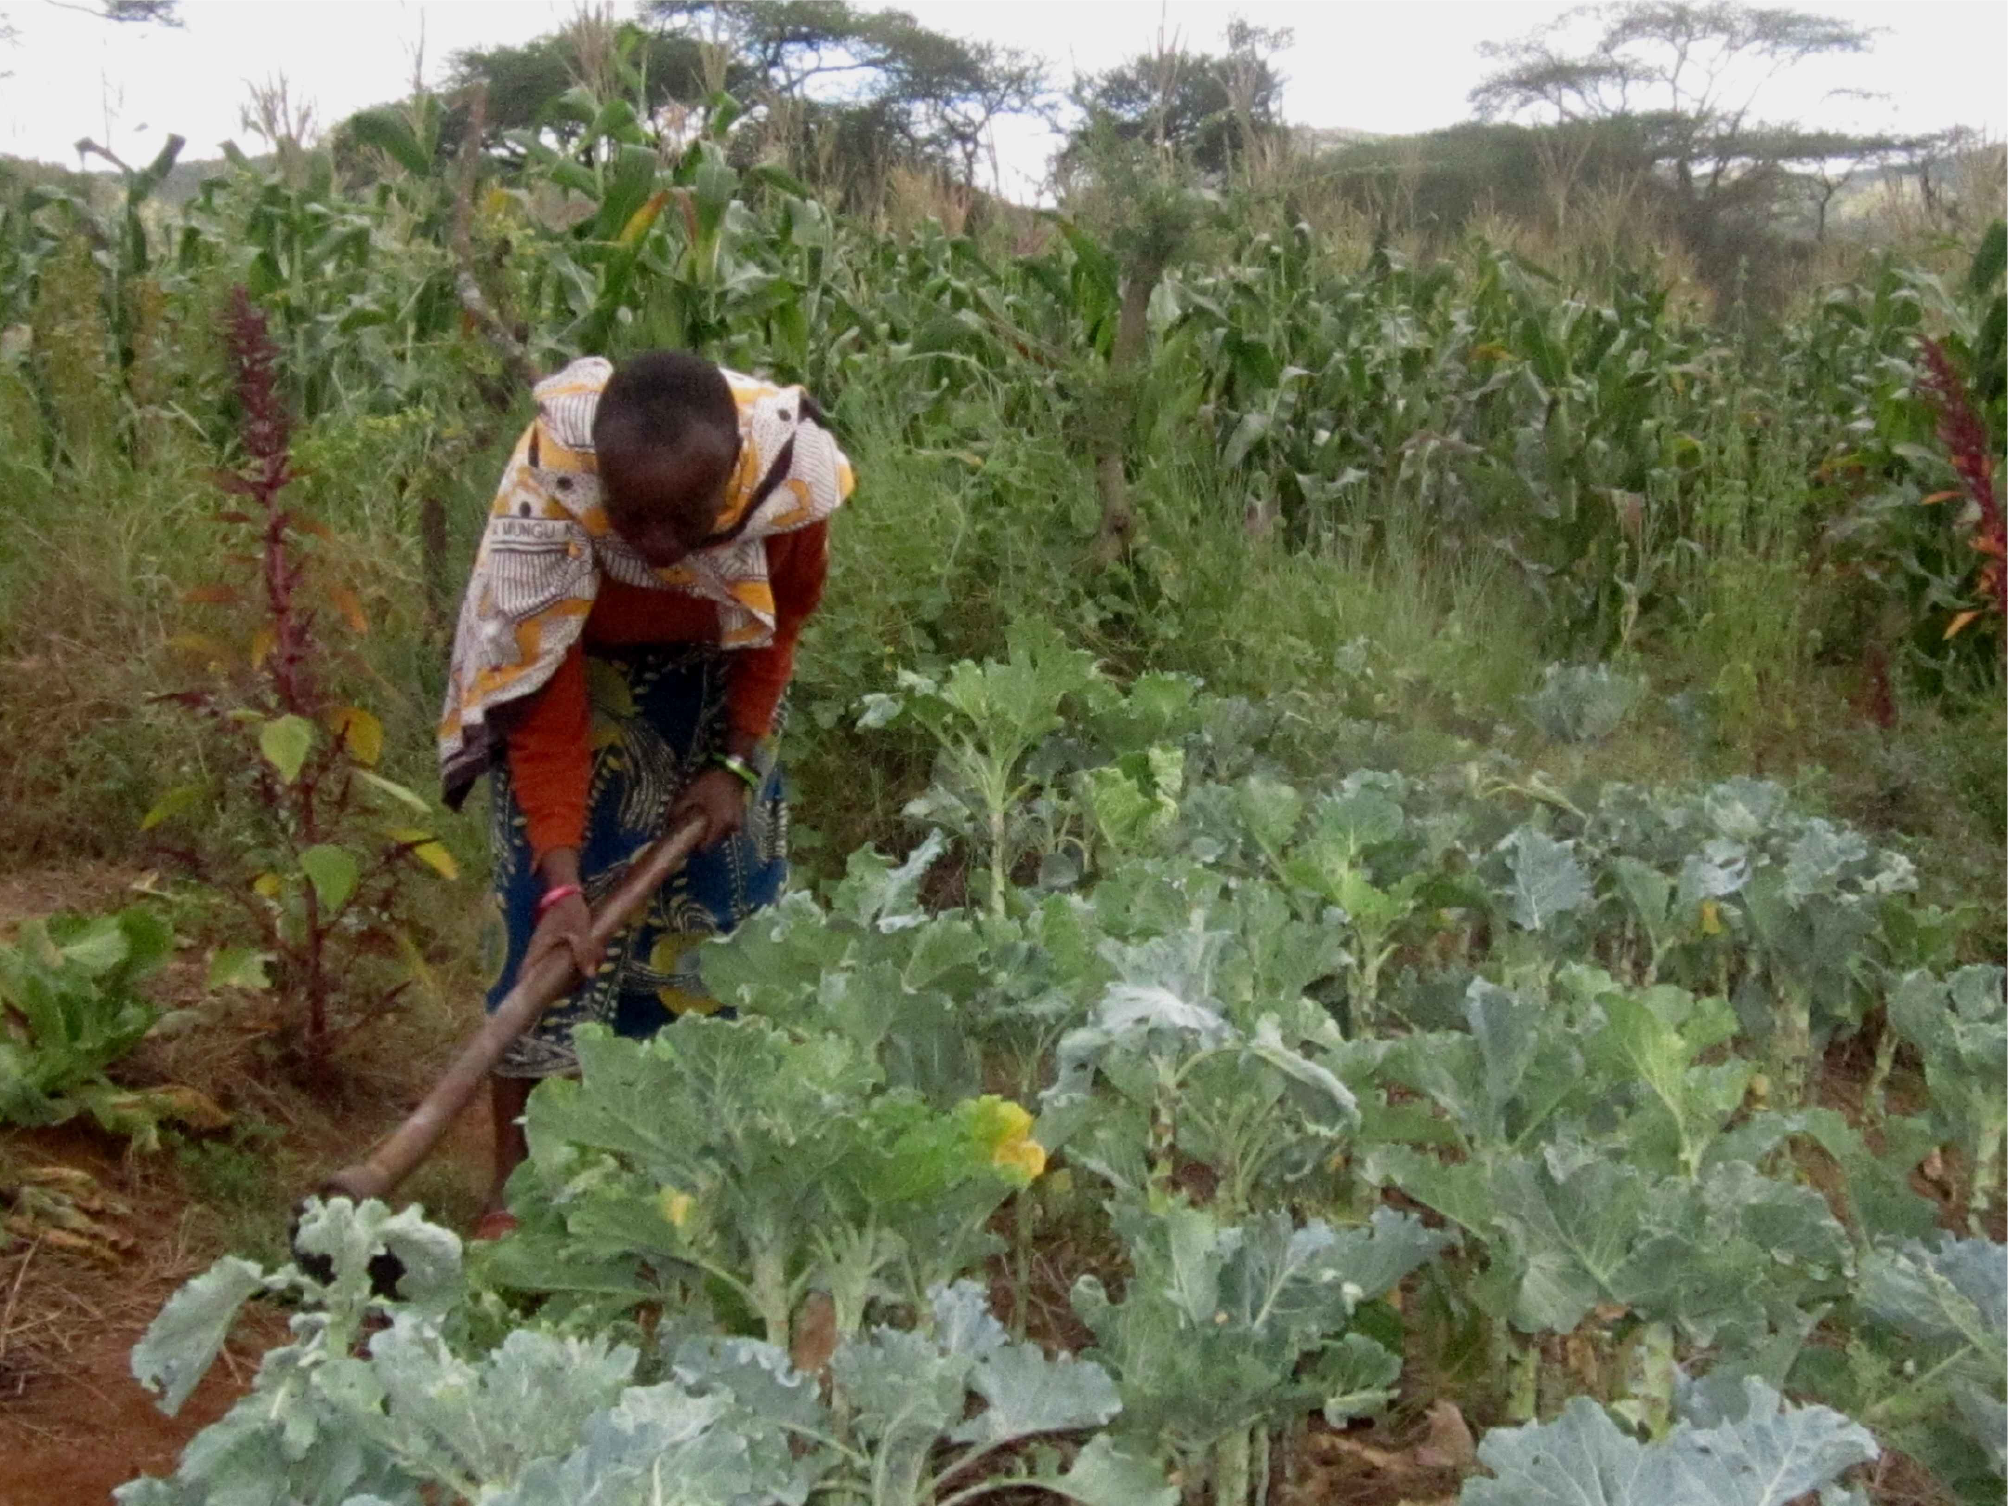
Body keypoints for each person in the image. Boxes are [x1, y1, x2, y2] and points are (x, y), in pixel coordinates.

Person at [437, 350, 852, 1236]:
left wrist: (734, 763)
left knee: (719, 921)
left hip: (719, 664)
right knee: (536, 927)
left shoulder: (787, 490)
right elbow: (545, 708)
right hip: (573, 663)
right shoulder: (548, 502)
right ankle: (514, 1191)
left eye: (686, 519)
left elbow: (780, 627)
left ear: (730, 485)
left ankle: (694, 1167)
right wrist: (558, 882)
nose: (659, 546)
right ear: (601, 484)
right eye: (634, 516)